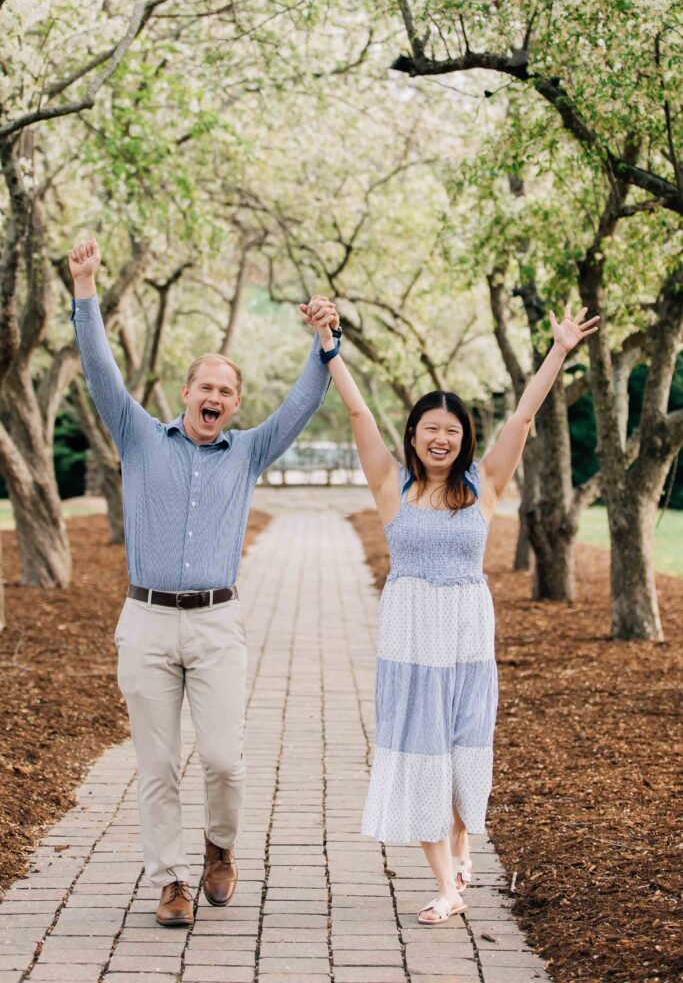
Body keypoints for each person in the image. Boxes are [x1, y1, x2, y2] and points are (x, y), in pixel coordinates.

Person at [69, 239, 340, 927]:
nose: (214, 397)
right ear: (184, 394)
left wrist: (323, 340)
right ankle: (170, 882)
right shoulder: (136, 434)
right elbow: (99, 369)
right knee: (157, 767)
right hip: (147, 622)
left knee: (223, 759)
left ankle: (221, 847)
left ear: (234, 402)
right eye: (205, 387)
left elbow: (302, 404)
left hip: (217, 622)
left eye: (226, 390)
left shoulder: (247, 451)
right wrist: (85, 287)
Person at [302, 299, 599, 925]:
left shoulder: (484, 485)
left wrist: (559, 352)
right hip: (411, 640)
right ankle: (447, 886)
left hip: (466, 636)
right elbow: (357, 409)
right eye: (430, 428)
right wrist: (330, 344)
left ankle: (462, 841)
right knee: (420, 749)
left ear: (463, 439)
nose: (441, 438)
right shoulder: (391, 484)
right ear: (413, 435)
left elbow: (520, 418)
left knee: (465, 749)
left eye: (453, 430)